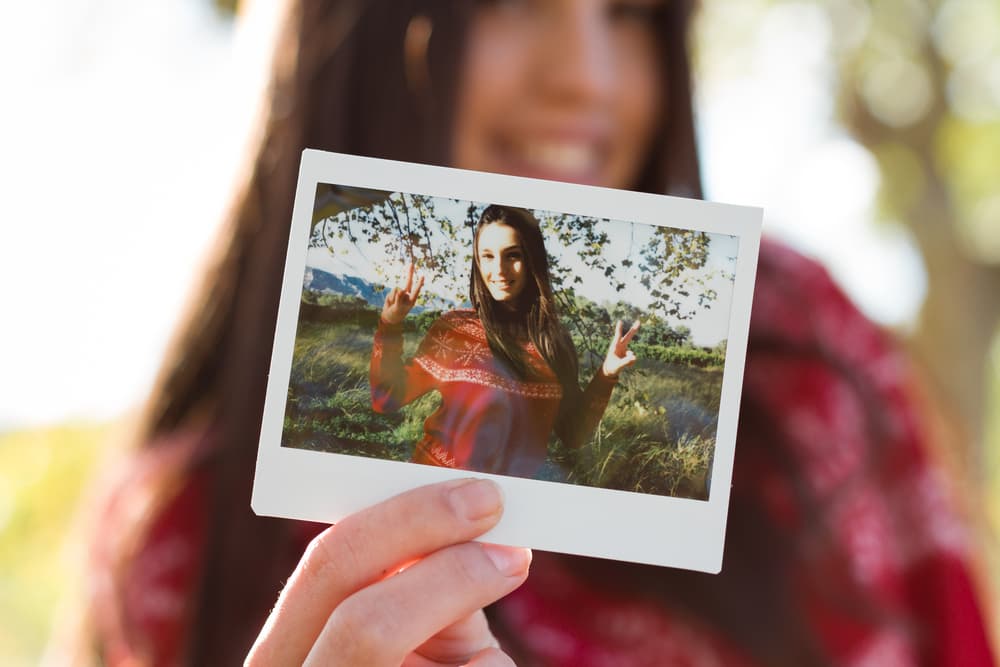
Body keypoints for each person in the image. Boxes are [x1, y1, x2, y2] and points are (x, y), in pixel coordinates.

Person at [71, 0, 996, 665]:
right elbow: (393, 398)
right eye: (507, 3)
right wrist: (392, 322)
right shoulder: (188, 545)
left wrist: (615, 373)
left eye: (632, 12)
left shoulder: (804, 365)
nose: (585, 79)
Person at [370, 204, 639, 477]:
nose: (498, 269)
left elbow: (573, 435)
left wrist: (606, 375)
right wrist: (390, 325)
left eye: (512, 255)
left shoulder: (554, 343)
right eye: (487, 256)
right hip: (434, 487)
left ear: (532, 259)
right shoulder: (454, 328)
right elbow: (386, 398)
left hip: (507, 503)